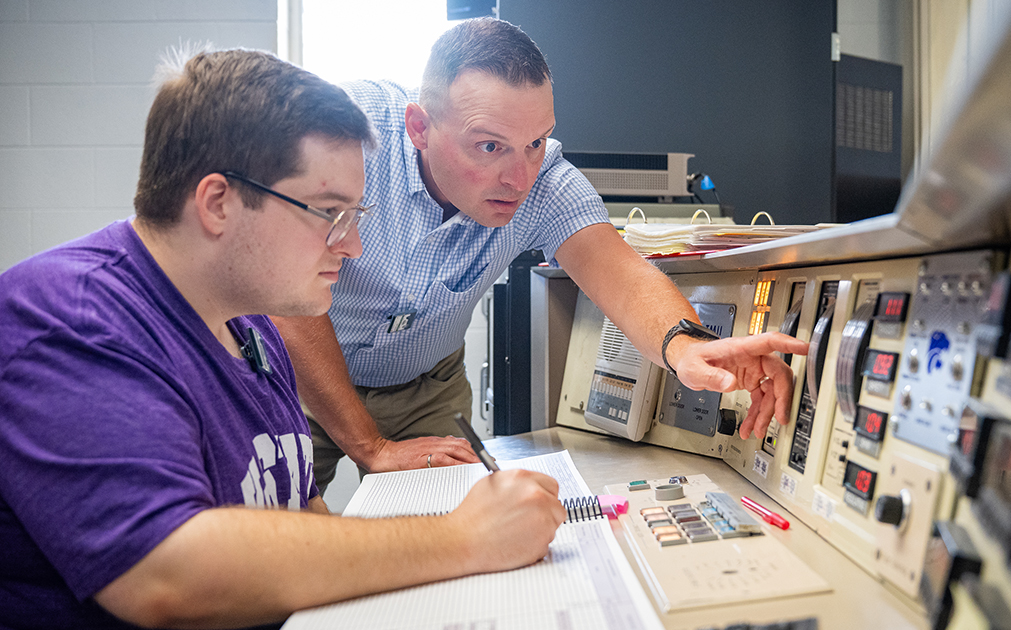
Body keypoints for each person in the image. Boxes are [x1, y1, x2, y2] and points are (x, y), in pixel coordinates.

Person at [0, 48, 565, 629]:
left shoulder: (252, 328)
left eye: (355, 216)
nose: (352, 246)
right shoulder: (70, 319)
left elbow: (302, 518)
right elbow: (164, 573)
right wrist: (461, 538)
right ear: (218, 202)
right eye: (329, 213)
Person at [273, 17, 811, 492]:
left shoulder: (545, 182)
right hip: (298, 372)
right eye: (489, 147)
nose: (519, 178)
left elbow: (619, 271)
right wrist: (371, 447)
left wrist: (686, 348)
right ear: (419, 127)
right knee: (278, 546)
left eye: (536, 142)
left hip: (425, 385)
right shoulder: (348, 134)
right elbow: (285, 297)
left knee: (450, 536)